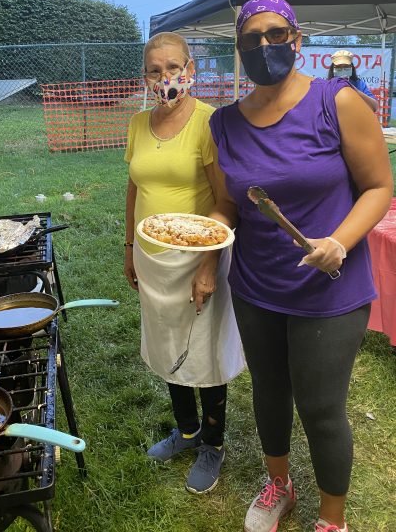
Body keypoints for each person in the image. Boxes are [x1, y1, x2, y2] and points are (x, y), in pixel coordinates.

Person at [198, 0, 392, 531]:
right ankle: (279, 485)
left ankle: (332, 520)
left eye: (275, 34)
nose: (265, 46)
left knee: (321, 407)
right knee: (269, 391)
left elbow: (378, 187)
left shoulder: (340, 102)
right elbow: (228, 203)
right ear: (239, 51)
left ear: (297, 39)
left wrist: (340, 241)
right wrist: (204, 249)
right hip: (257, 285)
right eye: (251, 39)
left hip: (329, 287)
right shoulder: (224, 123)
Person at [124, 32, 244, 495]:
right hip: (154, 259)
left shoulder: (209, 123)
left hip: (197, 259)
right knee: (166, 346)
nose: (164, 79)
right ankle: (188, 431)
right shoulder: (137, 124)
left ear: (190, 69)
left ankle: (213, 443)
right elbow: (134, 186)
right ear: (145, 76)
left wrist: (210, 264)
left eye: (173, 68)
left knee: (204, 352)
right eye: (154, 71)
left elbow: (226, 199)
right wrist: (129, 248)